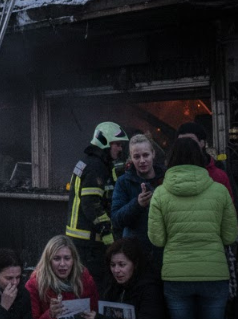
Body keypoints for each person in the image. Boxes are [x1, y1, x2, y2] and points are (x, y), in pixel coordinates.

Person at [148, 137, 237, 319]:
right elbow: (230, 237)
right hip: (214, 275)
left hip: (176, 276)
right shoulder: (220, 191)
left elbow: (157, 240)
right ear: (200, 158)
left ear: (171, 160)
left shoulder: (160, 194)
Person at [65, 121, 128, 285]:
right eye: (118, 145)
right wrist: (107, 232)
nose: (120, 149)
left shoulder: (88, 161)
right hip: (89, 243)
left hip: (80, 241)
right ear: (105, 142)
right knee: (94, 287)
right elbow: (91, 204)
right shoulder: (95, 167)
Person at [110, 134, 165, 267]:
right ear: (131, 158)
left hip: (163, 252)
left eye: (145, 155)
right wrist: (137, 204)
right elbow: (116, 219)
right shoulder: (123, 182)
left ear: (153, 154)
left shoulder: (166, 179)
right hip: (134, 254)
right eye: (136, 157)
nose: (142, 161)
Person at [25, 235, 98, 319]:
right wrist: (50, 314)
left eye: (67, 258)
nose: (62, 264)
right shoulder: (35, 284)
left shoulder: (85, 279)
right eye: (56, 258)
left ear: (73, 260)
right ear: (48, 261)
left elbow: (95, 310)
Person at [101, 238, 166, 319]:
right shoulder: (111, 285)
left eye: (122, 265)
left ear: (135, 264)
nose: (116, 270)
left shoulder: (150, 289)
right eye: (112, 265)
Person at [176, 121, 235, 202]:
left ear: (202, 143)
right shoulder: (170, 175)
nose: (186, 145)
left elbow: (229, 207)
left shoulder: (219, 174)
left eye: (190, 140)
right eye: (181, 142)